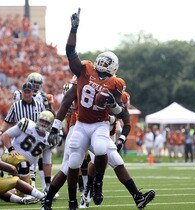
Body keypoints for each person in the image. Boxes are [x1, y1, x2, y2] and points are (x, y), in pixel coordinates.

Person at [41, 83, 155, 210]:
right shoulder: (84, 83)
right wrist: (56, 128)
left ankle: (136, 196)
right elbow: (67, 102)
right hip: (79, 128)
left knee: (116, 160)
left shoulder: (105, 87)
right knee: (68, 166)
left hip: (98, 129)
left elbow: (123, 115)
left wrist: (115, 115)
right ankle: (50, 201)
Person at [64, 8, 129, 209]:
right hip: (81, 124)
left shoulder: (116, 85)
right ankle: (78, 197)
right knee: (72, 163)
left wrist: (113, 106)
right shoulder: (85, 70)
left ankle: (94, 189)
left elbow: (120, 114)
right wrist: (74, 29)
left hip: (102, 129)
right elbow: (71, 53)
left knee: (108, 159)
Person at [0, 111, 55, 196]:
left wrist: (48, 183)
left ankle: (1, 192)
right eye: (42, 120)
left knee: (22, 191)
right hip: (10, 157)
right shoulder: (27, 125)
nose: (43, 124)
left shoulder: (49, 139)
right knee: (23, 163)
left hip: (27, 168)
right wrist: (11, 149)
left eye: (46, 122)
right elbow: (5, 135)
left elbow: (47, 164)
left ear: (50, 125)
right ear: (38, 120)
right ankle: (35, 196)